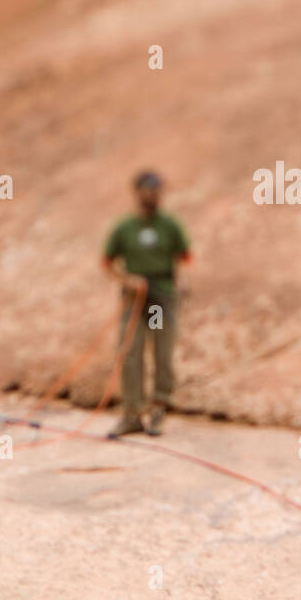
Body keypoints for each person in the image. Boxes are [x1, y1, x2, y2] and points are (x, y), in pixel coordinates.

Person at [101, 172, 191, 438]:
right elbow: (108, 262)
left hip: (159, 297)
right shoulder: (126, 228)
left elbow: (184, 256)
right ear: (137, 192)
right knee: (130, 352)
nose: (152, 195)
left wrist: (182, 280)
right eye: (148, 190)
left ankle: (159, 407)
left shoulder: (169, 226)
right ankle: (132, 413)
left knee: (161, 351)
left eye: (157, 190)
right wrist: (127, 279)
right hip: (135, 297)